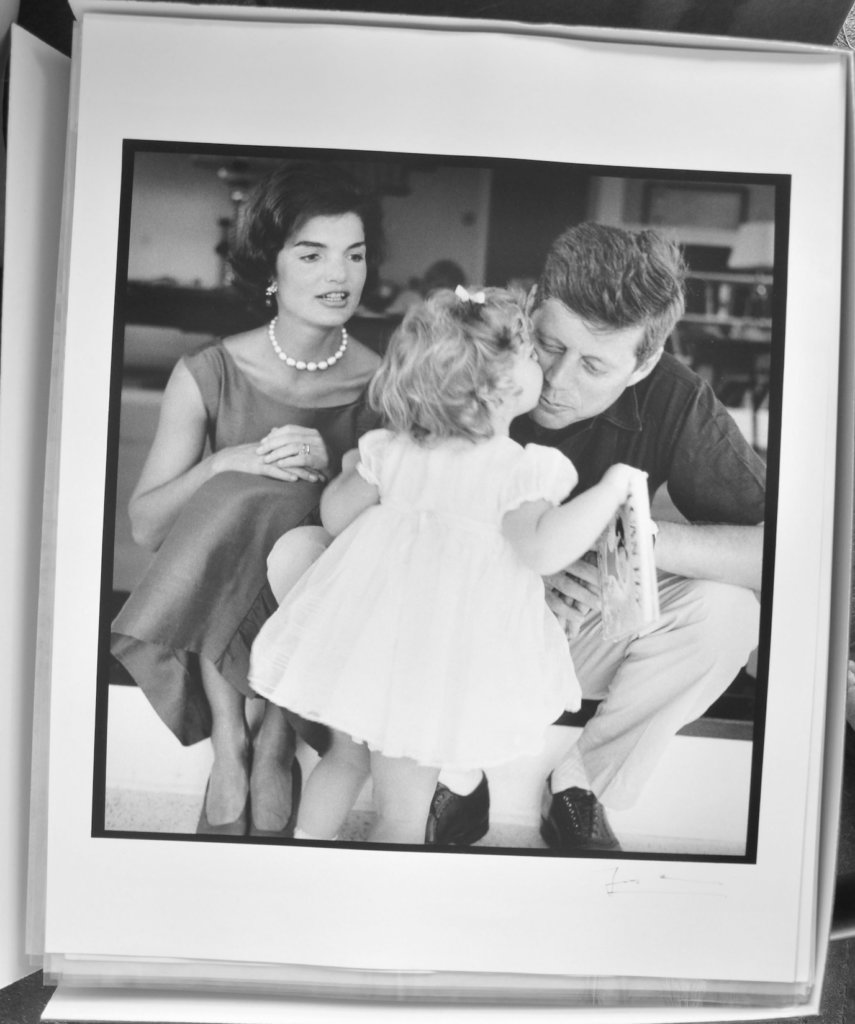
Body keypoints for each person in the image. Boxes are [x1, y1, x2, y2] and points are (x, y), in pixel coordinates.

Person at [249, 287, 641, 844]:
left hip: (366, 644)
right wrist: (612, 489)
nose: (546, 369)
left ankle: (306, 850)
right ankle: (383, 888)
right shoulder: (517, 470)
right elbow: (542, 550)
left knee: (344, 760)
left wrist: (357, 468)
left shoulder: (396, 447)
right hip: (429, 668)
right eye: (533, 355)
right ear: (500, 386)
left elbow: (335, 518)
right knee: (402, 810)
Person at [427, 223, 765, 853]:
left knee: (729, 612)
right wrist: (526, 570)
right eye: (550, 345)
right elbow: (392, 512)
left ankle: (581, 784)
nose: (558, 379)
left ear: (644, 365)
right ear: (531, 306)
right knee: (311, 557)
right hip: (455, 623)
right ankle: (452, 771)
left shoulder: (676, 397)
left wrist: (633, 541)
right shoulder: (473, 345)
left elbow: (784, 555)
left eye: (593, 365)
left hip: (574, 635)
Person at [111, 162, 383, 838]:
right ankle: (232, 740)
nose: (339, 275)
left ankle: (277, 736)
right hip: (219, 582)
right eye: (312, 254)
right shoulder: (208, 372)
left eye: (354, 255)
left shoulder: (386, 383)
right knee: (239, 489)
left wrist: (337, 468)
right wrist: (221, 462)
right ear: (270, 265)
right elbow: (147, 527)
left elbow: (392, 529)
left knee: (283, 501)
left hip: (330, 599)